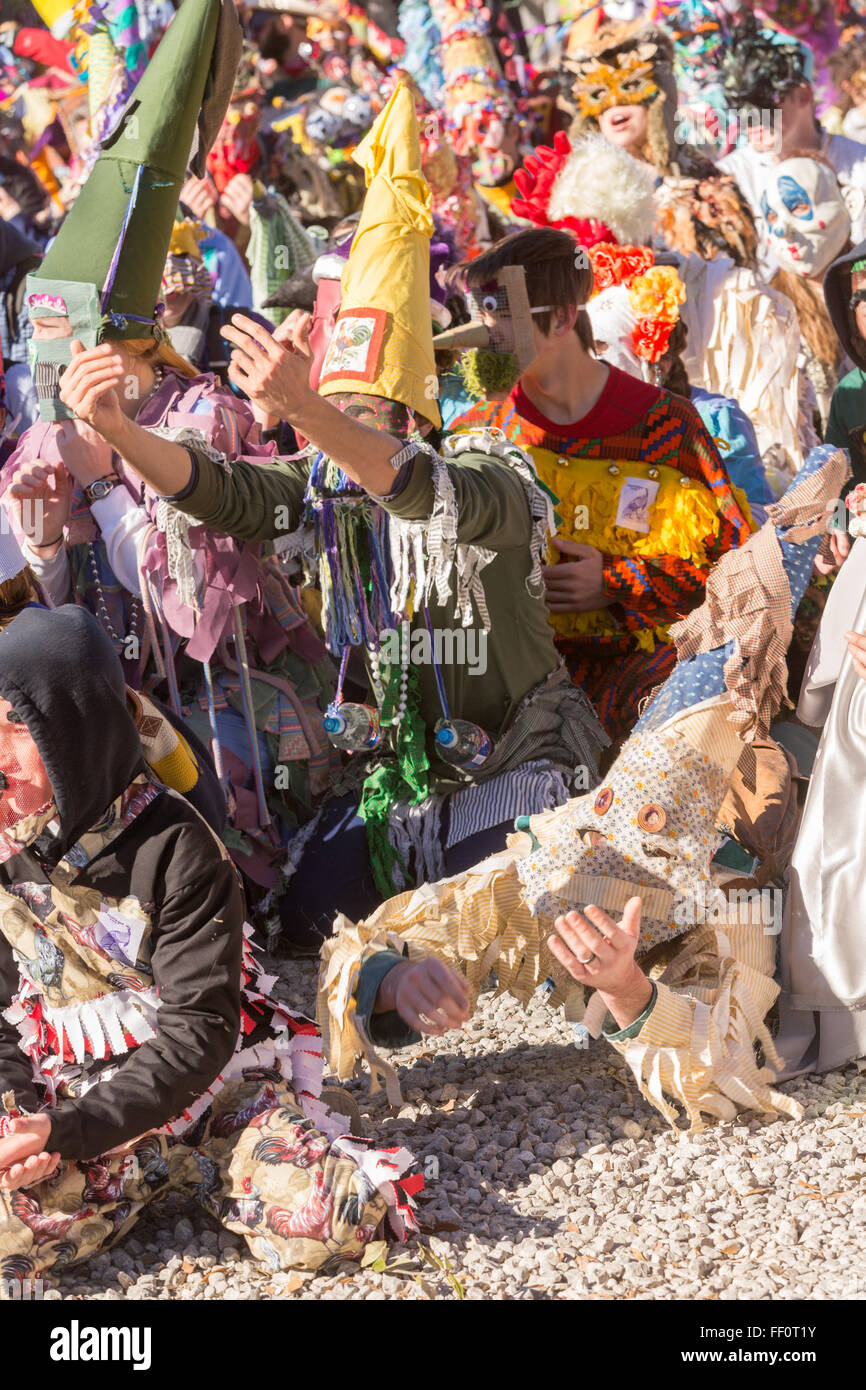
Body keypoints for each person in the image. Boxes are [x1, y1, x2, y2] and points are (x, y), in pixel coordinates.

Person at [51, 85, 609, 954]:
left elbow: (415, 487)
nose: (339, 439)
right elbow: (225, 488)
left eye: (363, 416)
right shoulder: (324, 485)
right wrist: (119, 433)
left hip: (517, 761)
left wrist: (309, 412)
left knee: (483, 920)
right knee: (303, 924)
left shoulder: (492, 470)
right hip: (400, 779)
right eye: (331, 414)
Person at [316, 443, 849, 1130]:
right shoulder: (572, 863)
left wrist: (628, 991)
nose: (631, 866)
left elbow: (726, 1067)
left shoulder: (736, 911)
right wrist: (395, 979)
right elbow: (355, 946)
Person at [0, 604, 418, 1290]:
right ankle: (130, 1180)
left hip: (210, 1092)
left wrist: (74, 1132)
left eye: (21, 727)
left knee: (344, 1215)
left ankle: (223, 1168)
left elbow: (200, 1032)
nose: (1, 752)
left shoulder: (177, 844)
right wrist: (22, 1125)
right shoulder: (8, 841)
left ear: (72, 734)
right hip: (73, 1097)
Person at [447, 226, 751, 741]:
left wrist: (615, 580)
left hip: (649, 690)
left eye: (503, 313)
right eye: (481, 312)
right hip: (511, 694)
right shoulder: (478, 432)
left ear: (564, 317)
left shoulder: (667, 424)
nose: (485, 332)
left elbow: (737, 574)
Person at [719, 14, 866, 282]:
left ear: (803, 95)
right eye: (741, 107)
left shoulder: (860, 166)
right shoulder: (728, 181)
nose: (752, 119)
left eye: (764, 105)